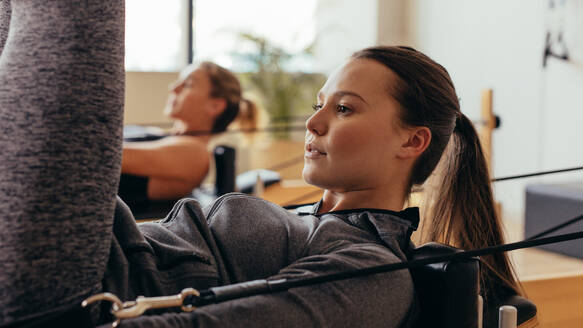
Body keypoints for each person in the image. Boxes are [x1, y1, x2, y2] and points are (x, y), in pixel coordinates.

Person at [0, 2, 519, 326]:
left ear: (412, 141)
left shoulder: (374, 271)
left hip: (66, 278)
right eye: (320, 102)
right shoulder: (313, 226)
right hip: (77, 247)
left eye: (343, 108)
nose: (313, 123)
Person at [119, 61, 258, 212]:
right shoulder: (161, 135)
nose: (174, 88)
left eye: (188, 84)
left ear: (215, 106)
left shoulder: (194, 153)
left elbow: (105, 154)